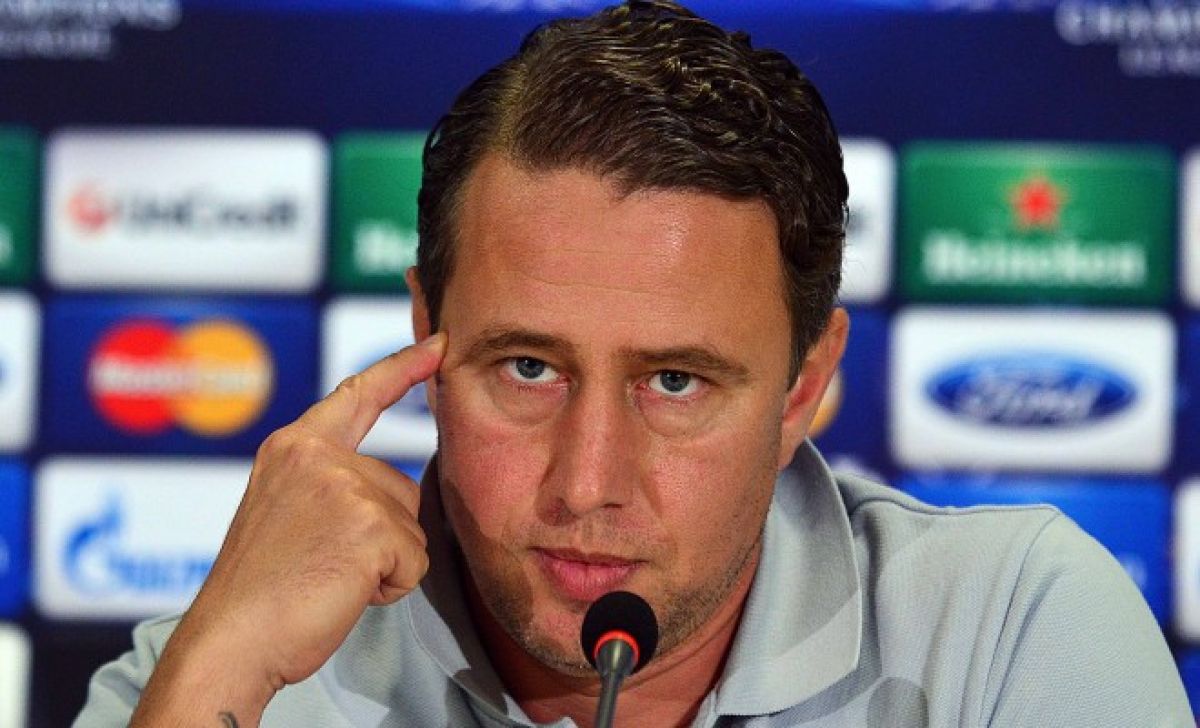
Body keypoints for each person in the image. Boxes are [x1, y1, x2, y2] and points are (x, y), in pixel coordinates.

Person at [75, 2, 1190, 726]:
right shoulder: (224, 676)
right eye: (527, 367)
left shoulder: (1008, 630)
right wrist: (214, 677)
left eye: (675, 382)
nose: (586, 482)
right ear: (425, 338)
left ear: (802, 387)